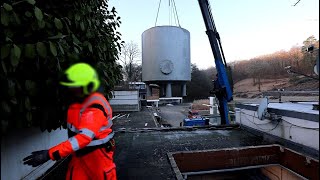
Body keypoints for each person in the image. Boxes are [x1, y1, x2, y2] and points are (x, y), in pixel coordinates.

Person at [23, 62, 117, 180]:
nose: (71, 87)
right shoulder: (78, 101)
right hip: (79, 156)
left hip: (97, 158)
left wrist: (49, 154)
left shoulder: (94, 105)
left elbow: (83, 137)